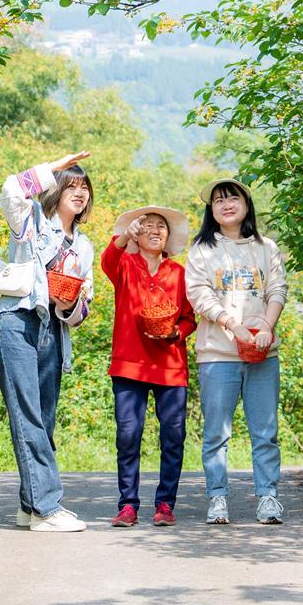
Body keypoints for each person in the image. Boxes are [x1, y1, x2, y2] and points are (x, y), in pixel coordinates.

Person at [0, 152, 95, 532]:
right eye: (72, 185)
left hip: (54, 330)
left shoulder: (84, 247)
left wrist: (70, 304)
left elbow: (84, 306)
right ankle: (46, 508)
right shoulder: (32, 219)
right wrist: (54, 167)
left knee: (44, 420)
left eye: (85, 188)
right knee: (28, 417)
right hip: (19, 321)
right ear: (56, 189)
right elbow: (10, 190)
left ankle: (28, 505)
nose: (80, 193)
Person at [185, 178, 289, 525]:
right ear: (211, 211)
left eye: (232, 198)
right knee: (217, 432)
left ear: (246, 204)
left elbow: (277, 289)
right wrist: (234, 325)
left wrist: (267, 328)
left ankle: (268, 497)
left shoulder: (266, 248)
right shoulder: (202, 249)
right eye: (218, 201)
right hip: (218, 354)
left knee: (265, 430)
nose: (226, 205)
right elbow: (199, 294)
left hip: (263, 354)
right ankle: (217, 498)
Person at [100, 205, 196, 527]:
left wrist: (177, 332)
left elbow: (188, 317)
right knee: (128, 433)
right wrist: (123, 237)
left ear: (168, 237)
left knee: (174, 435)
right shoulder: (125, 265)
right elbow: (106, 260)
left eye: (161, 227)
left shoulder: (180, 274)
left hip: (170, 364)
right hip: (129, 364)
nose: (155, 230)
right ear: (137, 234)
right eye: (147, 226)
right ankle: (128, 505)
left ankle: (165, 504)